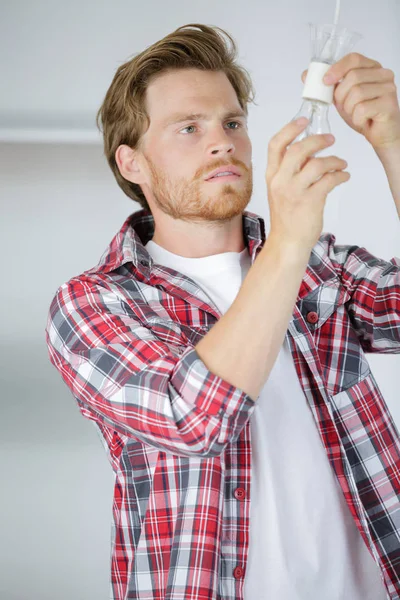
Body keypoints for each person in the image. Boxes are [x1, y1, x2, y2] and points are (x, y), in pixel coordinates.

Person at [45, 23, 400, 600]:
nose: (223, 142)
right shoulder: (93, 303)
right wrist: (286, 241)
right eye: (189, 128)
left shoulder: (321, 267)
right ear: (132, 163)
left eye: (232, 122)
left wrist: (392, 141)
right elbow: (194, 418)